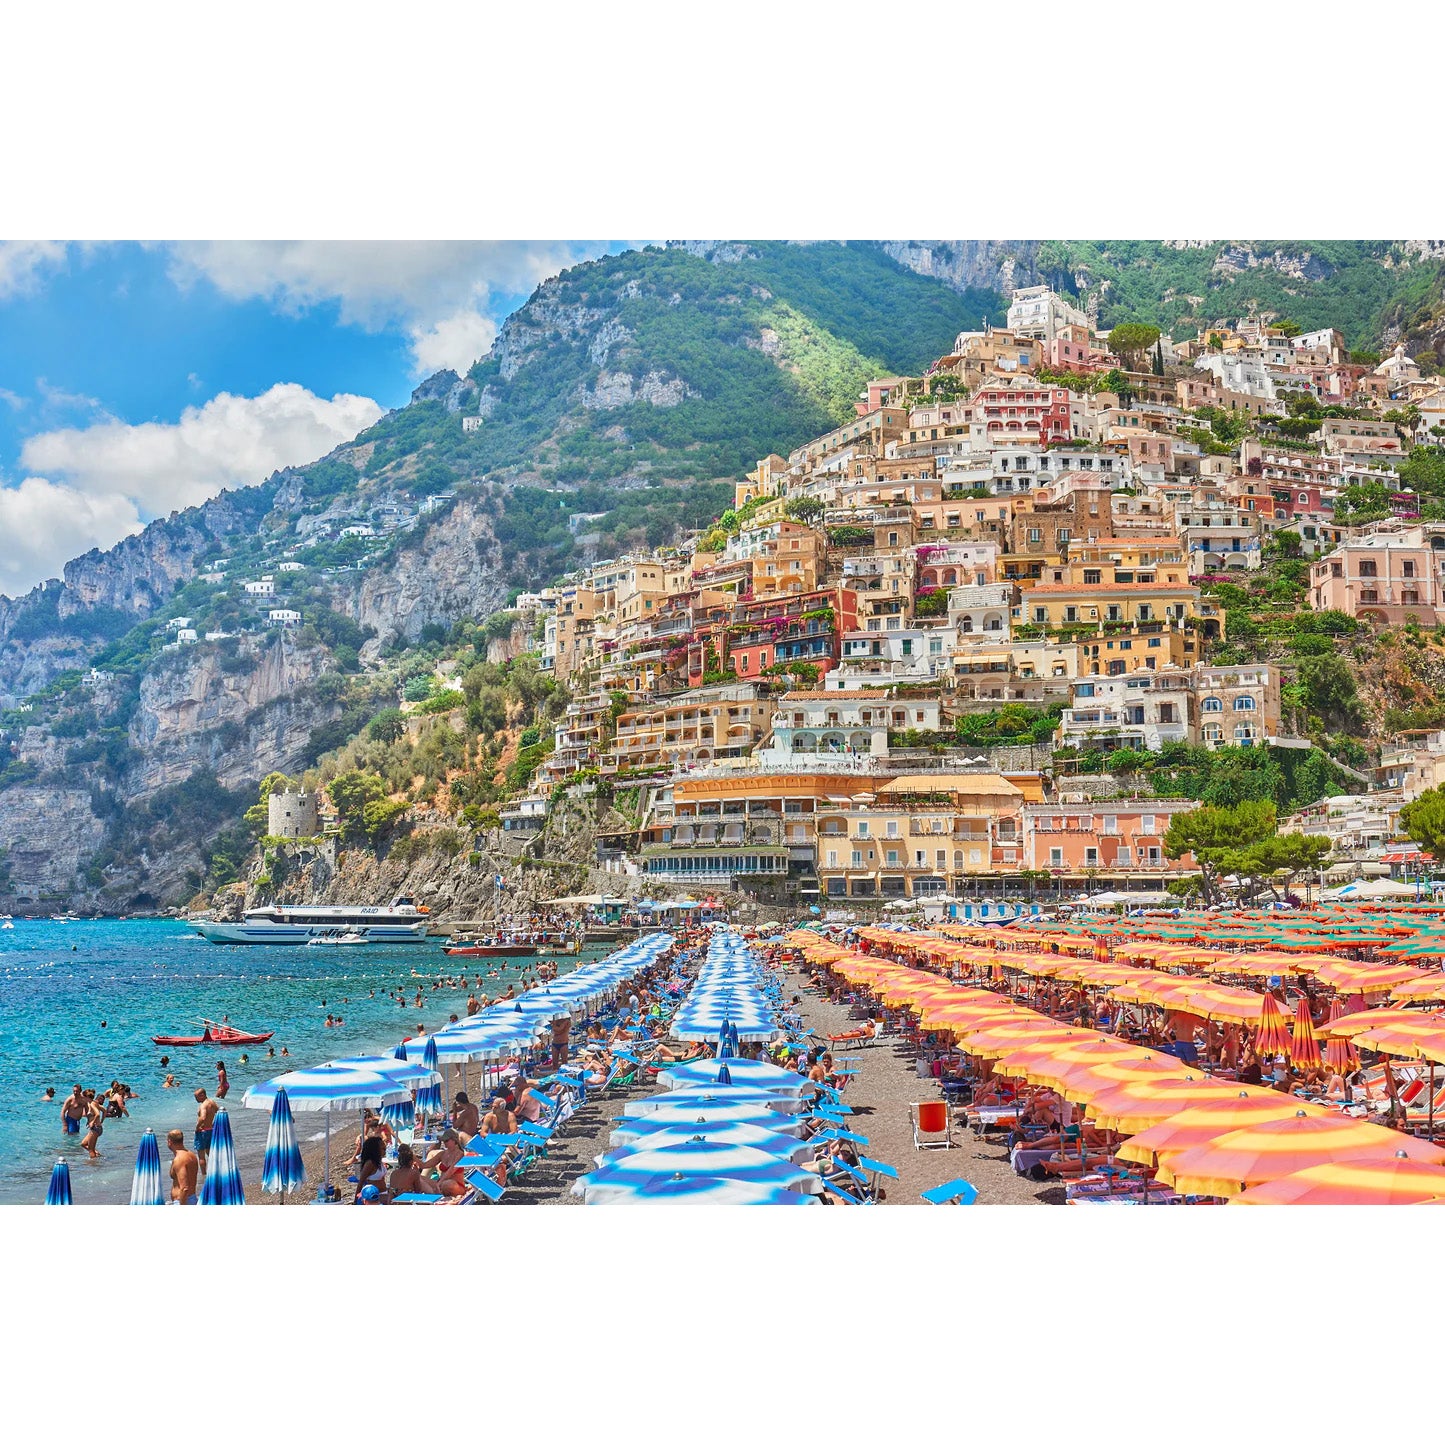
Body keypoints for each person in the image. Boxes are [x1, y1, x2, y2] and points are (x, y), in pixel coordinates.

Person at [167, 1129, 199, 1204]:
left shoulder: (179, 1160)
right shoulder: (192, 1155)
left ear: (169, 1142)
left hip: (182, 1201)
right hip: (192, 1198)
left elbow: (184, 1188)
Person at [354, 1136, 389, 1203]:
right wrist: (355, 1200)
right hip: (373, 1197)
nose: (385, 1149)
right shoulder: (370, 1163)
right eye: (383, 1148)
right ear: (375, 1149)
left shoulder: (379, 1161)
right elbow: (361, 1182)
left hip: (383, 1193)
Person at [194, 1088, 219, 1171]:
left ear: (202, 1095)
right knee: (210, 1153)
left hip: (202, 1131)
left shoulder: (203, 1105)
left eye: (196, 1097)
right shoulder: (212, 1102)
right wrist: (213, 1124)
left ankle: (204, 1174)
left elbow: (203, 1117)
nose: (195, 1099)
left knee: (201, 1156)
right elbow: (219, 1113)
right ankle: (217, 1169)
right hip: (211, 1130)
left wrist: (197, 1127)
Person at [80, 1091, 104, 1159]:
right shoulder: (93, 1103)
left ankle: (93, 1165)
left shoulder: (92, 1104)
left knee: (91, 1150)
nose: (82, 1098)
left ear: (86, 1097)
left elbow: (98, 1114)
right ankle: (97, 1155)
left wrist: (92, 1122)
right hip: (97, 1128)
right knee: (83, 1144)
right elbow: (104, 1111)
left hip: (95, 1128)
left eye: (83, 1097)